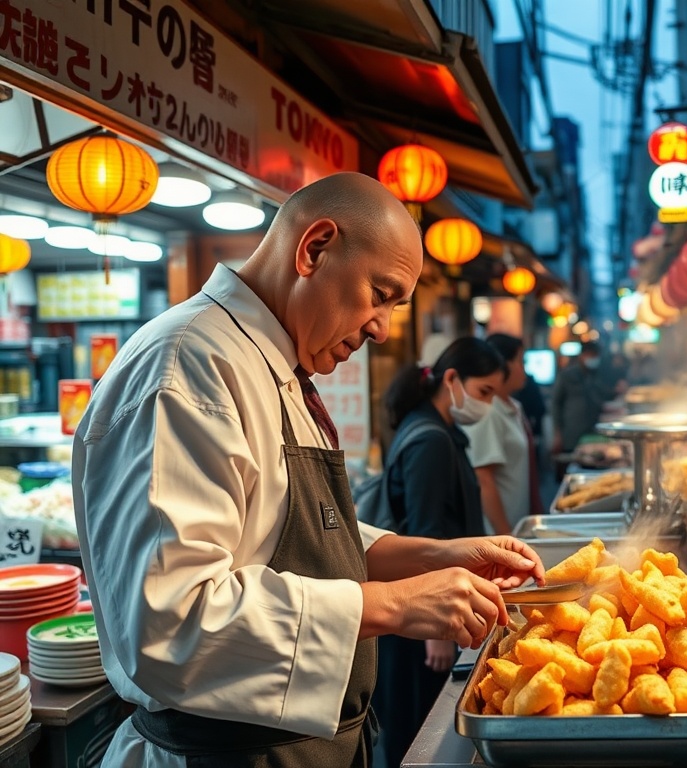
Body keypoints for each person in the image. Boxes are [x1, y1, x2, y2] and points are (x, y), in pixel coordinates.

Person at [72, 172, 545, 768]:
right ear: (313, 248)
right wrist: (397, 605)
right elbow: (173, 620)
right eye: (381, 294)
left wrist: (439, 556)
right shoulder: (187, 367)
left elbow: (294, 538)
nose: (383, 328)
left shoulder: (275, 363)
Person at [374, 336, 506, 768]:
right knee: (417, 733)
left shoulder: (439, 429)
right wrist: (436, 631)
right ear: (452, 379)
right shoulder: (430, 440)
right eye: (484, 391)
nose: (486, 403)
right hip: (418, 615)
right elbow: (425, 529)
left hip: (432, 601)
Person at [463, 334, 541, 536]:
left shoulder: (515, 407)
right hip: (500, 532)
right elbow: (484, 478)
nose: (525, 369)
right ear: (503, 365)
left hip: (519, 522)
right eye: (520, 362)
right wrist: (504, 533)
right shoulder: (489, 411)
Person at [551, 341, 613, 456]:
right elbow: (556, 404)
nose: (594, 359)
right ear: (582, 355)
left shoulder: (594, 375)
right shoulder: (567, 375)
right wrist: (557, 433)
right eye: (591, 355)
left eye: (596, 356)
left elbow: (600, 396)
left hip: (592, 430)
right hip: (571, 432)